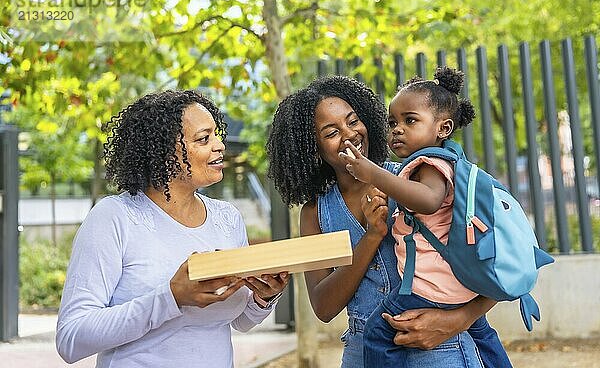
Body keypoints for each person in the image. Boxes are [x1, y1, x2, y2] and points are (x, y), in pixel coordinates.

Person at [267, 75, 512, 368]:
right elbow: (324, 306)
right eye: (331, 132)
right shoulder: (315, 213)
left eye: (353, 120)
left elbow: (496, 261)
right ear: (313, 149)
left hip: (441, 347)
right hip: (365, 351)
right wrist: (372, 235)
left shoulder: (419, 179)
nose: (350, 134)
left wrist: (457, 320)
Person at [56, 89, 289, 368]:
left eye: (216, 134)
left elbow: (238, 321)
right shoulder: (114, 218)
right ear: (164, 153)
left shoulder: (227, 218)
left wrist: (263, 296)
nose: (219, 146)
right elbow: (71, 339)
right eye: (203, 139)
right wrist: (171, 298)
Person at [340, 67, 510, 367]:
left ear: (443, 129)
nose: (397, 129)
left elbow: (429, 201)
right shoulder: (437, 163)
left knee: (377, 332)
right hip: (458, 286)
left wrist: (371, 172)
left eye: (410, 120)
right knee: (482, 332)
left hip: (429, 287)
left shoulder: (432, 164)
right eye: (392, 122)